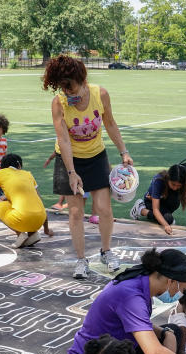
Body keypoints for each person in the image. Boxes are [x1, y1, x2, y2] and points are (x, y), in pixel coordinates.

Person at [42, 55, 133, 279]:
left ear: (82, 80)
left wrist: (124, 151)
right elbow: (63, 139)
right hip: (69, 159)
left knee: (104, 209)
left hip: (96, 155)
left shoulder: (99, 94)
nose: (67, 92)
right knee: (75, 212)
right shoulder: (58, 103)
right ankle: (81, 259)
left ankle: (106, 251)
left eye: (70, 87)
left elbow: (110, 123)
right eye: (63, 88)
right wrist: (72, 172)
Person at [0, 153, 51, 247]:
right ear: (19, 165)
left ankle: (20, 234)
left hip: (21, 219)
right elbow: (40, 202)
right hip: (39, 219)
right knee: (18, 201)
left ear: (2, 167)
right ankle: (33, 234)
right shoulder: (28, 174)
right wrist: (46, 229)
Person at [128, 165, 186, 235]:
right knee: (168, 220)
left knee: (173, 205)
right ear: (168, 178)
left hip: (163, 201)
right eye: (173, 184)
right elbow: (156, 209)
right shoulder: (158, 181)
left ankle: (164, 214)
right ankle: (141, 209)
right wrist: (166, 225)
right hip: (150, 201)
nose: (175, 188)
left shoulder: (183, 184)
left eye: (179, 186)